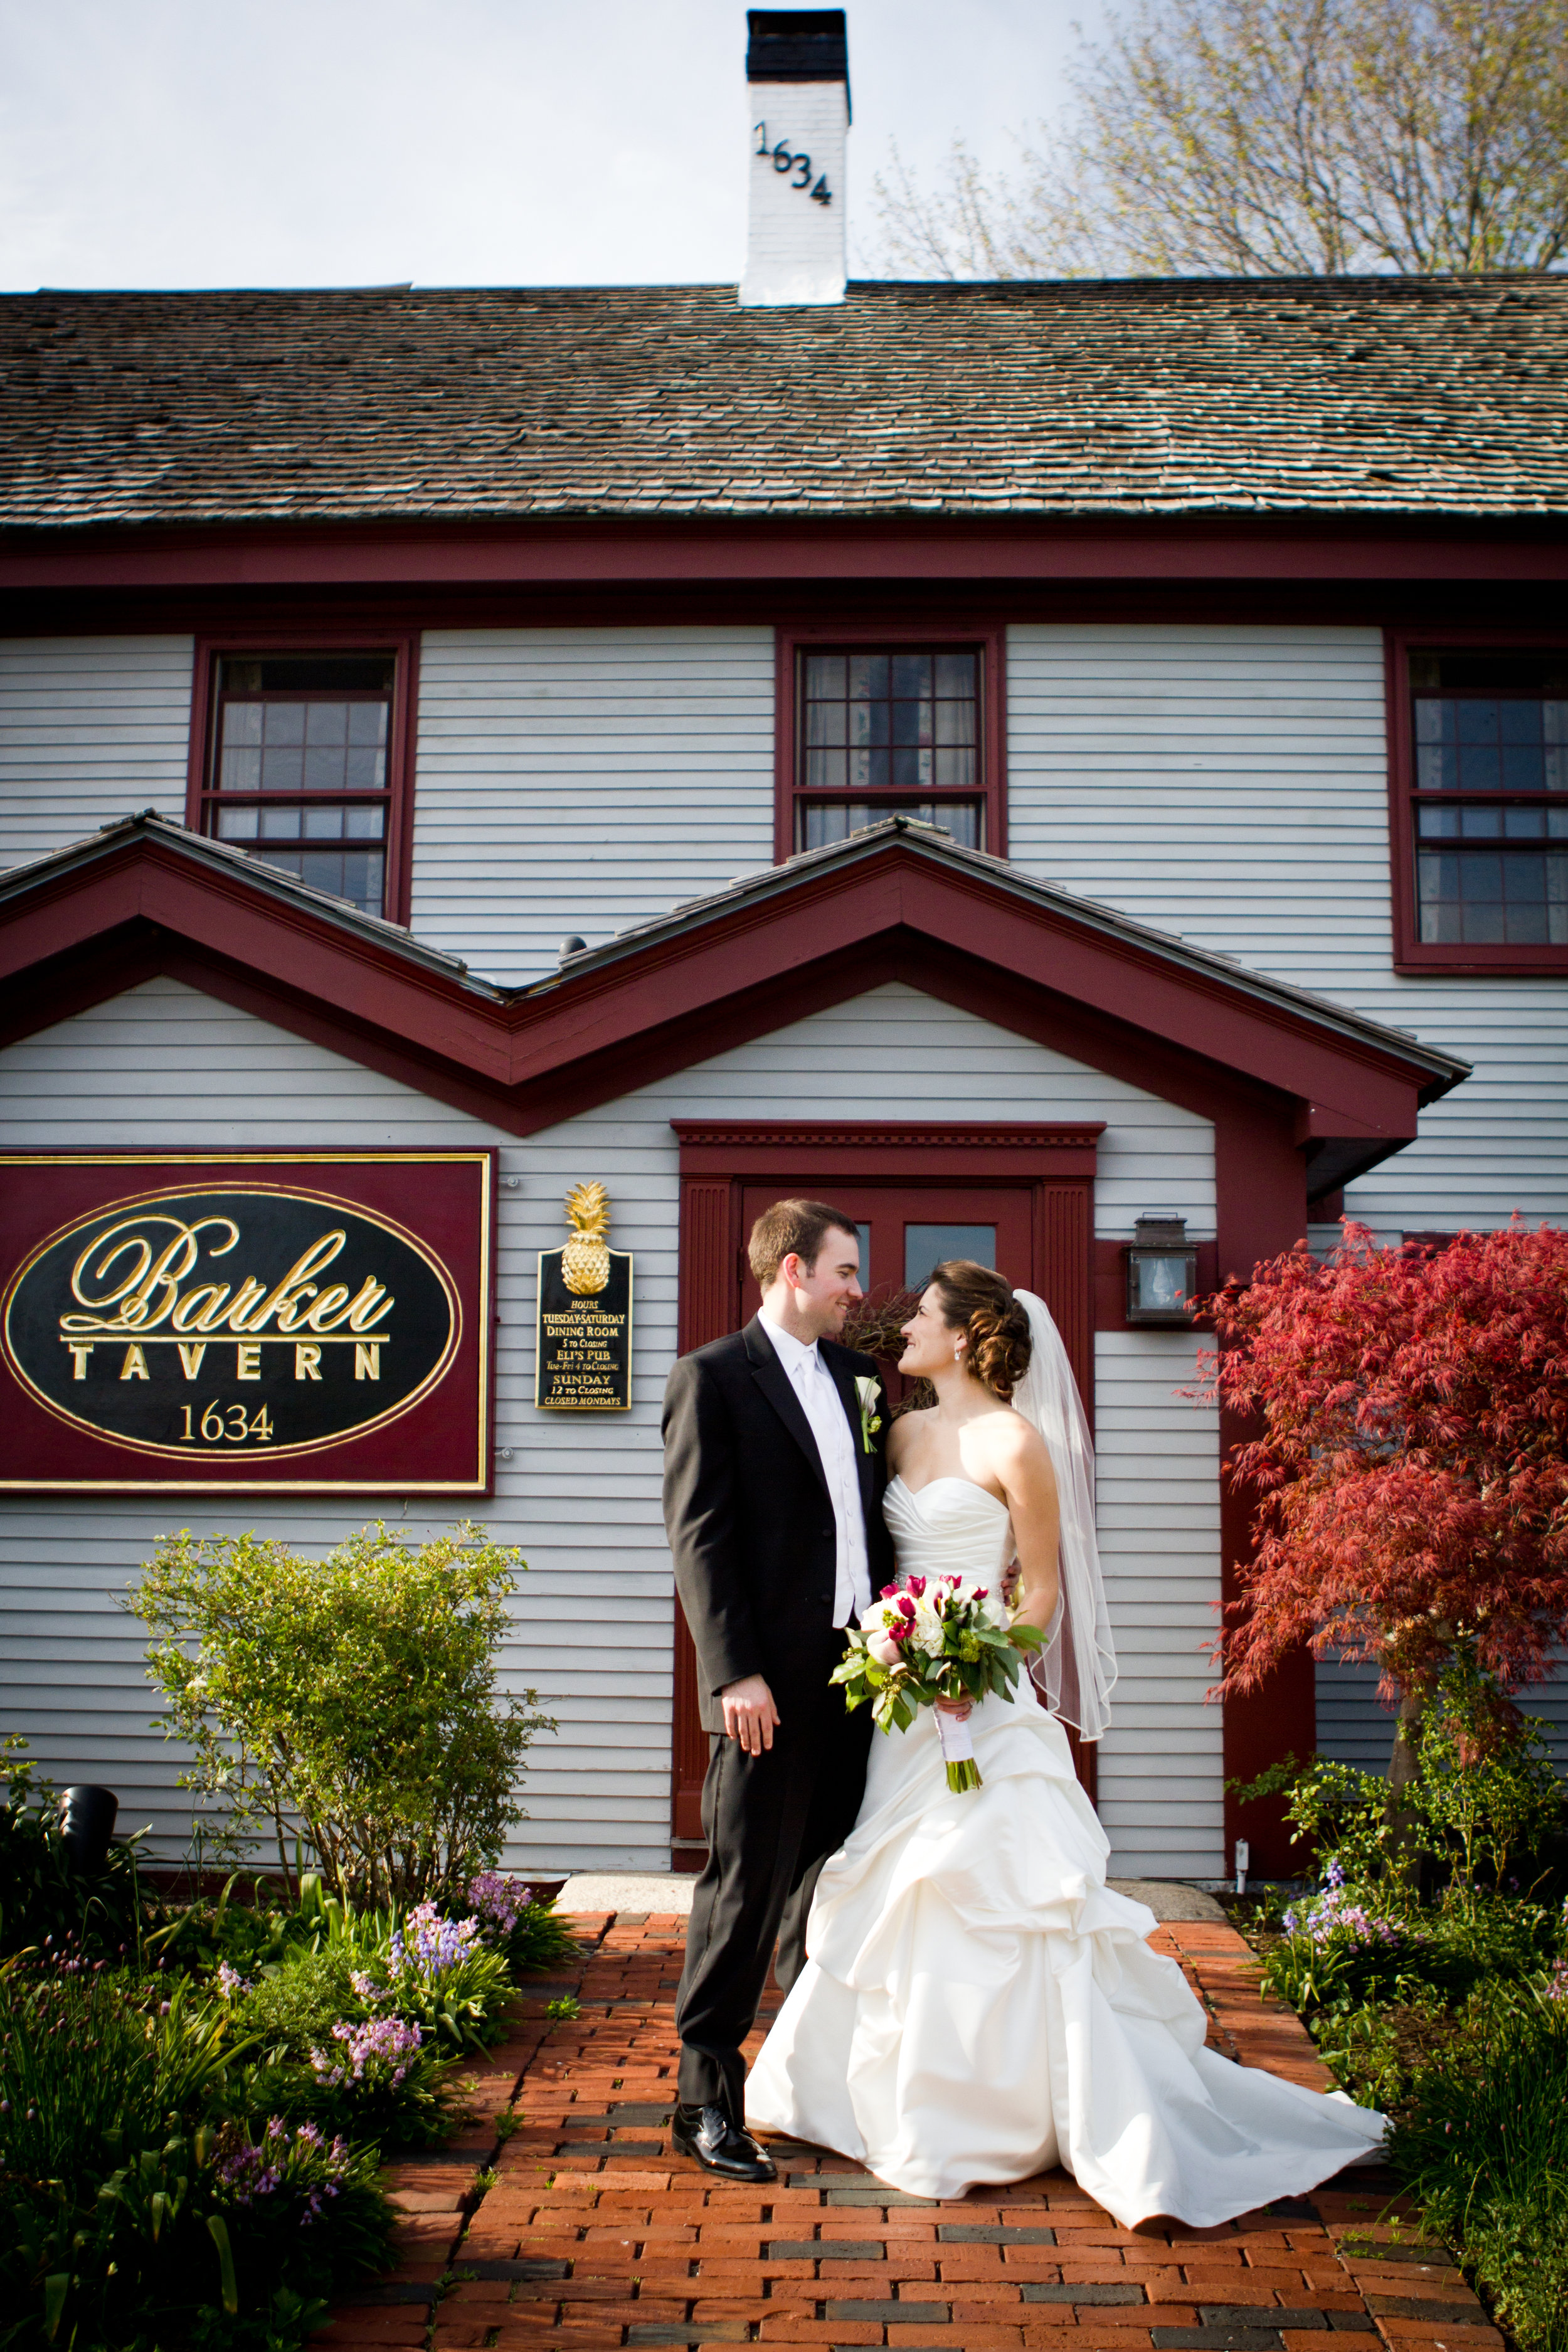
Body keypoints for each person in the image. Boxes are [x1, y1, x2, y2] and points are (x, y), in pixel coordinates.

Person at [744, 1260, 1387, 2228]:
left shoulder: (1018, 1443)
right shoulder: (900, 1428)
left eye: (920, 1314)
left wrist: (973, 1666)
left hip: (979, 1703)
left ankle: (1013, 2113)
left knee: (998, 1894)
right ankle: (874, 2095)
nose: (902, 1325)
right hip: (899, 1706)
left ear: (964, 1335)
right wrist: (899, 1656)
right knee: (896, 1886)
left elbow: (1040, 1592)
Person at [662, 1197, 894, 2183]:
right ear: (794, 1270)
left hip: (862, 1673)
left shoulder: (859, 1378)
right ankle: (704, 2100)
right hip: (768, 1681)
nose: (857, 1290)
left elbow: (875, 1522)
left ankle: (797, 2082)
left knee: (824, 1884)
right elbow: (700, 1534)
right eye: (846, 1271)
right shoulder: (711, 1378)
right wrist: (733, 1673)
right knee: (746, 1885)